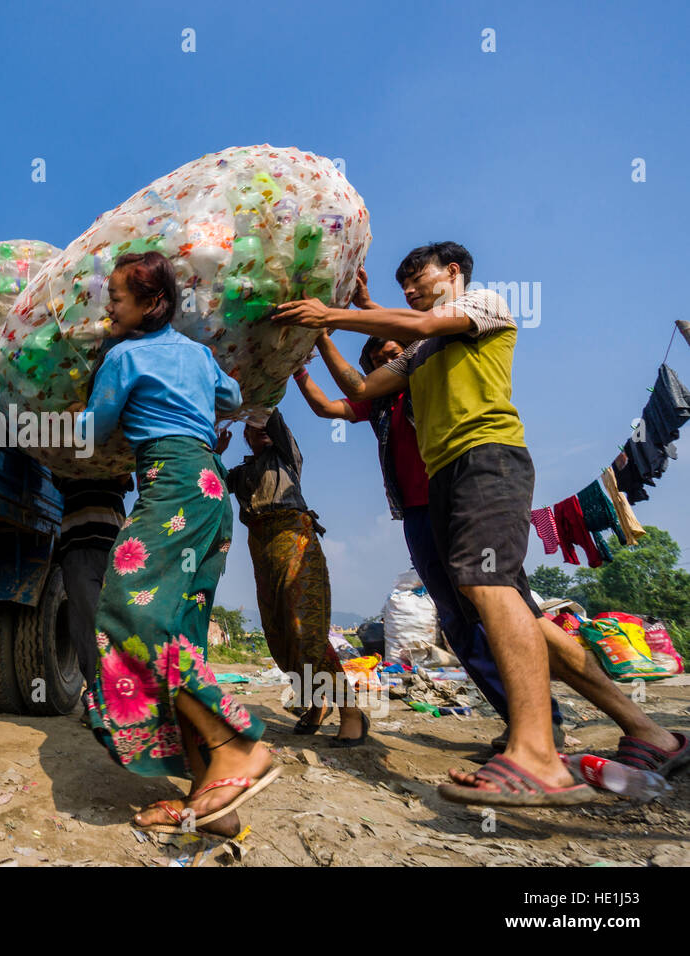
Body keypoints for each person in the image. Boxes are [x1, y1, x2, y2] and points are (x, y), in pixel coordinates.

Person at [272, 241, 688, 805]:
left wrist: (332, 313)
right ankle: (651, 732)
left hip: (486, 457)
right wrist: (320, 337)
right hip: (447, 477)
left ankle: (537, 753)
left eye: (418, 278)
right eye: (404, 285)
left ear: (454, 272)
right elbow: (362, 389)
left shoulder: (485, 305)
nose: (412, 289)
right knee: (522, 617)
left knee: (484, 587)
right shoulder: (419, 353)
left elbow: (420, 321)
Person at [293, 270, 565, 753]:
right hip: (421, 513)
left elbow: (418, 330)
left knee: (494, 605)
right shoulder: (383, 402)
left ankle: (543, 724)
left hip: (466, 488)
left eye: (391, 350)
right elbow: (344, 398)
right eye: (379, 356)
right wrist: (307, 358)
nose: (388, 356)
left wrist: (343, 313)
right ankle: (522, 723)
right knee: (459, 619)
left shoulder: (434, 365)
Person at [78, 251, 278, 835]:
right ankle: (211, 802)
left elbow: (92, 432)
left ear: (150, 304)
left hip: (170, 487)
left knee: (126, 611)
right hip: (211, 489)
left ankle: (234, 743)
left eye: (116, 299)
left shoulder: (124, 356)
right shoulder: (198, 354)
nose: (109, 307)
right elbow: (231, 397)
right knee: (179, 632)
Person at [219, 411, 369, 745]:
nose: (261, 432)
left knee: (306, 628)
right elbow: (210, 481)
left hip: (294, 538)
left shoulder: (286, 457)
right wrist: (214, 450)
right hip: (261, 547)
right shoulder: (241, 473)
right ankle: (316, 705)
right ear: (245, 437)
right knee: (279, 632)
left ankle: (351, 712)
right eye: (253, 429)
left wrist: (257, 399)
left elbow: (271, 418)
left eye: (264, 428)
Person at [52, 474, 134, 697]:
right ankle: (99, 693)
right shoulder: (66, 460)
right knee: (87, 623)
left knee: (117, 621)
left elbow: (124, 475)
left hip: (115, 550)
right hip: (77, 550)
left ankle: (122, 691)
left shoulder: (113, 462)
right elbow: (59, 474)